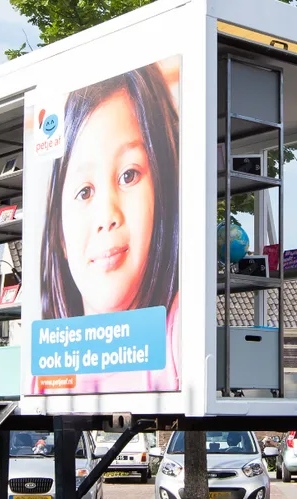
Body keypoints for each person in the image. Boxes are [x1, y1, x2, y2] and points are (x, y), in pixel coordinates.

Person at [35, 60, 180, 395]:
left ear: (163, 187)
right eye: (84, 192)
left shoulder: (175, 332)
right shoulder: (45, 366)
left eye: (128, 175)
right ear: (59, 233)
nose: (106, 216)